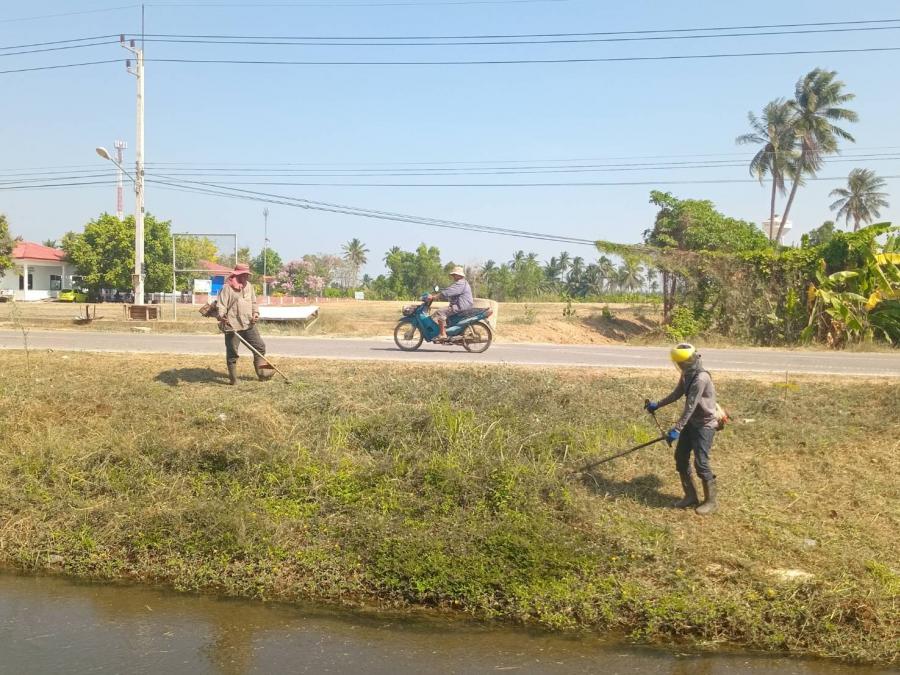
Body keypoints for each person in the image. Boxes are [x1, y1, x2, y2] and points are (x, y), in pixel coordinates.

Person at [644, 343, 719, 515]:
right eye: (680, 363)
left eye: (683, 362)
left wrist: (677, 429)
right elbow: (677, 394)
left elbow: (690, 406)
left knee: (701, 462)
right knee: (680, 457)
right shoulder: (687, 374)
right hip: (691, 423)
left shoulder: (701, 378)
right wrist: (657, 404)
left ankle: (711, 501)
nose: (682, 366)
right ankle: (690, 496)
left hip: (704, 425)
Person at [216, 263, 272, 385]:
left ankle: (263, 374)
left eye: (247, 274)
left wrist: (255, 313)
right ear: (237, 275)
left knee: (260, 347)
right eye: (243, 274)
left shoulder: (249, 286)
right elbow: (221, 305)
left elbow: (254, 302)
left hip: (248, 324)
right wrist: (222, 316)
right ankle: (233, 380)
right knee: (232, 354)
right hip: (232, 326)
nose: (246, 277)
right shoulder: (227, 288)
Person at [428, 266, 473, 341]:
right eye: (453, 275)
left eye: (454, 275)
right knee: (446, 312)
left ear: (459, 275)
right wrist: (442, 294)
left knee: (440, 312)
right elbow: (449, 291)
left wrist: (435, 297)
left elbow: (449, 292)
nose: (453, 276)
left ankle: (443, 334)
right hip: (463, 305)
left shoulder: (460, 283)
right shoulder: (462, 283)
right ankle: (447, 331)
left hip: (460, 306)